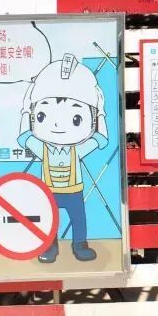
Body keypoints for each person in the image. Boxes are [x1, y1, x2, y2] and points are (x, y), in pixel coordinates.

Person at [18, 53, 109, 263]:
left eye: (76, 118)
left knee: (79, 218)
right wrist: (25, 106)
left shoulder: (77, 150)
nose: (58, 125)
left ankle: (80, 245)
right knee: (50, 219)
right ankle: (50, 246)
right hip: (49, 191)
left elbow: (101, 139)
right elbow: (24, 137)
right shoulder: (42, 148)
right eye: (43, 116)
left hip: (74, 191)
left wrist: (101, 112)